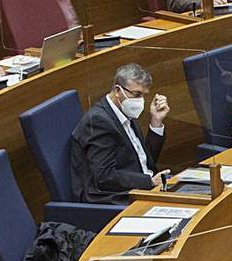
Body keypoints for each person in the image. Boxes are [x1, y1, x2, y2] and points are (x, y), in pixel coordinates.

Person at [70, 64, 171, 204]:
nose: (140, 101)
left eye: (143, 95)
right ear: (117, 90)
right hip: (110, 197)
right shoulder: (99, 121)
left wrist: (156, 122)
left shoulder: (125, 112)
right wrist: (150, 182)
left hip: (137, 187)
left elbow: (142, 160)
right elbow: (104, 176)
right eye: (136, 94)